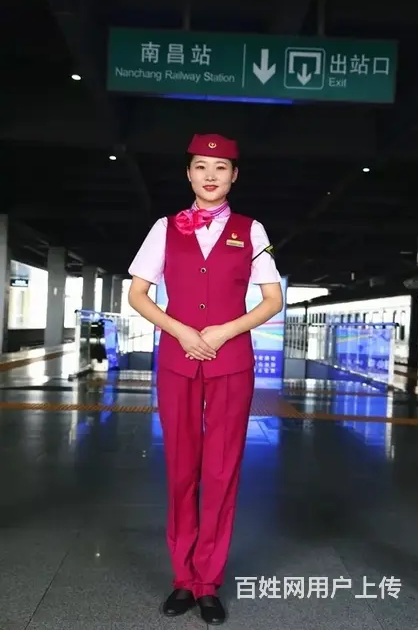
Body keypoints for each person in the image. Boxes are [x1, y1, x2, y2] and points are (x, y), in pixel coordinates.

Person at [128, 133, 283, 624]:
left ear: (234, 176)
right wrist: (180, 331)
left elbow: (273, 299)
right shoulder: (164, 228)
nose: (210, 175)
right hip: (178, 360)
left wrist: (223, 331)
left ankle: (208, 581)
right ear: (189, 174)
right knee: (181, 468)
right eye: (200, 166)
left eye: (220, 168)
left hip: (231, 361)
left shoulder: (250, 230)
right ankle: (183, 578)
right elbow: (137, 293)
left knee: (221, 470)